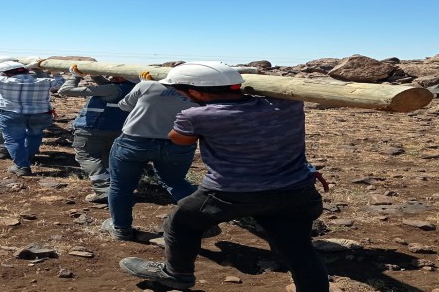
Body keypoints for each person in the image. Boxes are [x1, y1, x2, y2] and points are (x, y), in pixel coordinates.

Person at [119, 61, 329, 291]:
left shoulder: (196, 116)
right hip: (296, 189)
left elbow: (179, 139)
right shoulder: (287, 104)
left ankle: (176, 274)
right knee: (299, 250)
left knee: (180, 224)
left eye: (181, 91)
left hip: (230, 192)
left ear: (196, 92)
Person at [102, 72, 199, 240]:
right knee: (176, 182)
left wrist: (144, 85)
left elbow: (124, 105)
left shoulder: (147, 85)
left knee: (121, 186)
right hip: (178, 141)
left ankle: (121, 228)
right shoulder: (199, 91)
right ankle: (202, 223)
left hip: (134, 141)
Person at [57, 64, 136, 204]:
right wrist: (94, 74)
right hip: (117, 129)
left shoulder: (112, 88)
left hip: (92, 129)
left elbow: (65, 91)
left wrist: (76, 76)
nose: (111, 77)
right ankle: (114, 188)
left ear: (121, 77)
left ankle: (103, 190)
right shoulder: (134, 88)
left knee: (86, 156)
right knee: (107, 160)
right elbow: (108, 86)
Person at [0, 60, 65, 176]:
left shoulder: (2, 81)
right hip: (41, 114)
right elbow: (61, 82)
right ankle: (28, 157)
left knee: (14, 140)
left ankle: (22, 166)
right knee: (35, 135)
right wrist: (55, 72)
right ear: (27, 71)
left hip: (11, 114)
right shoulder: (44, 82)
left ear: (5, 73)